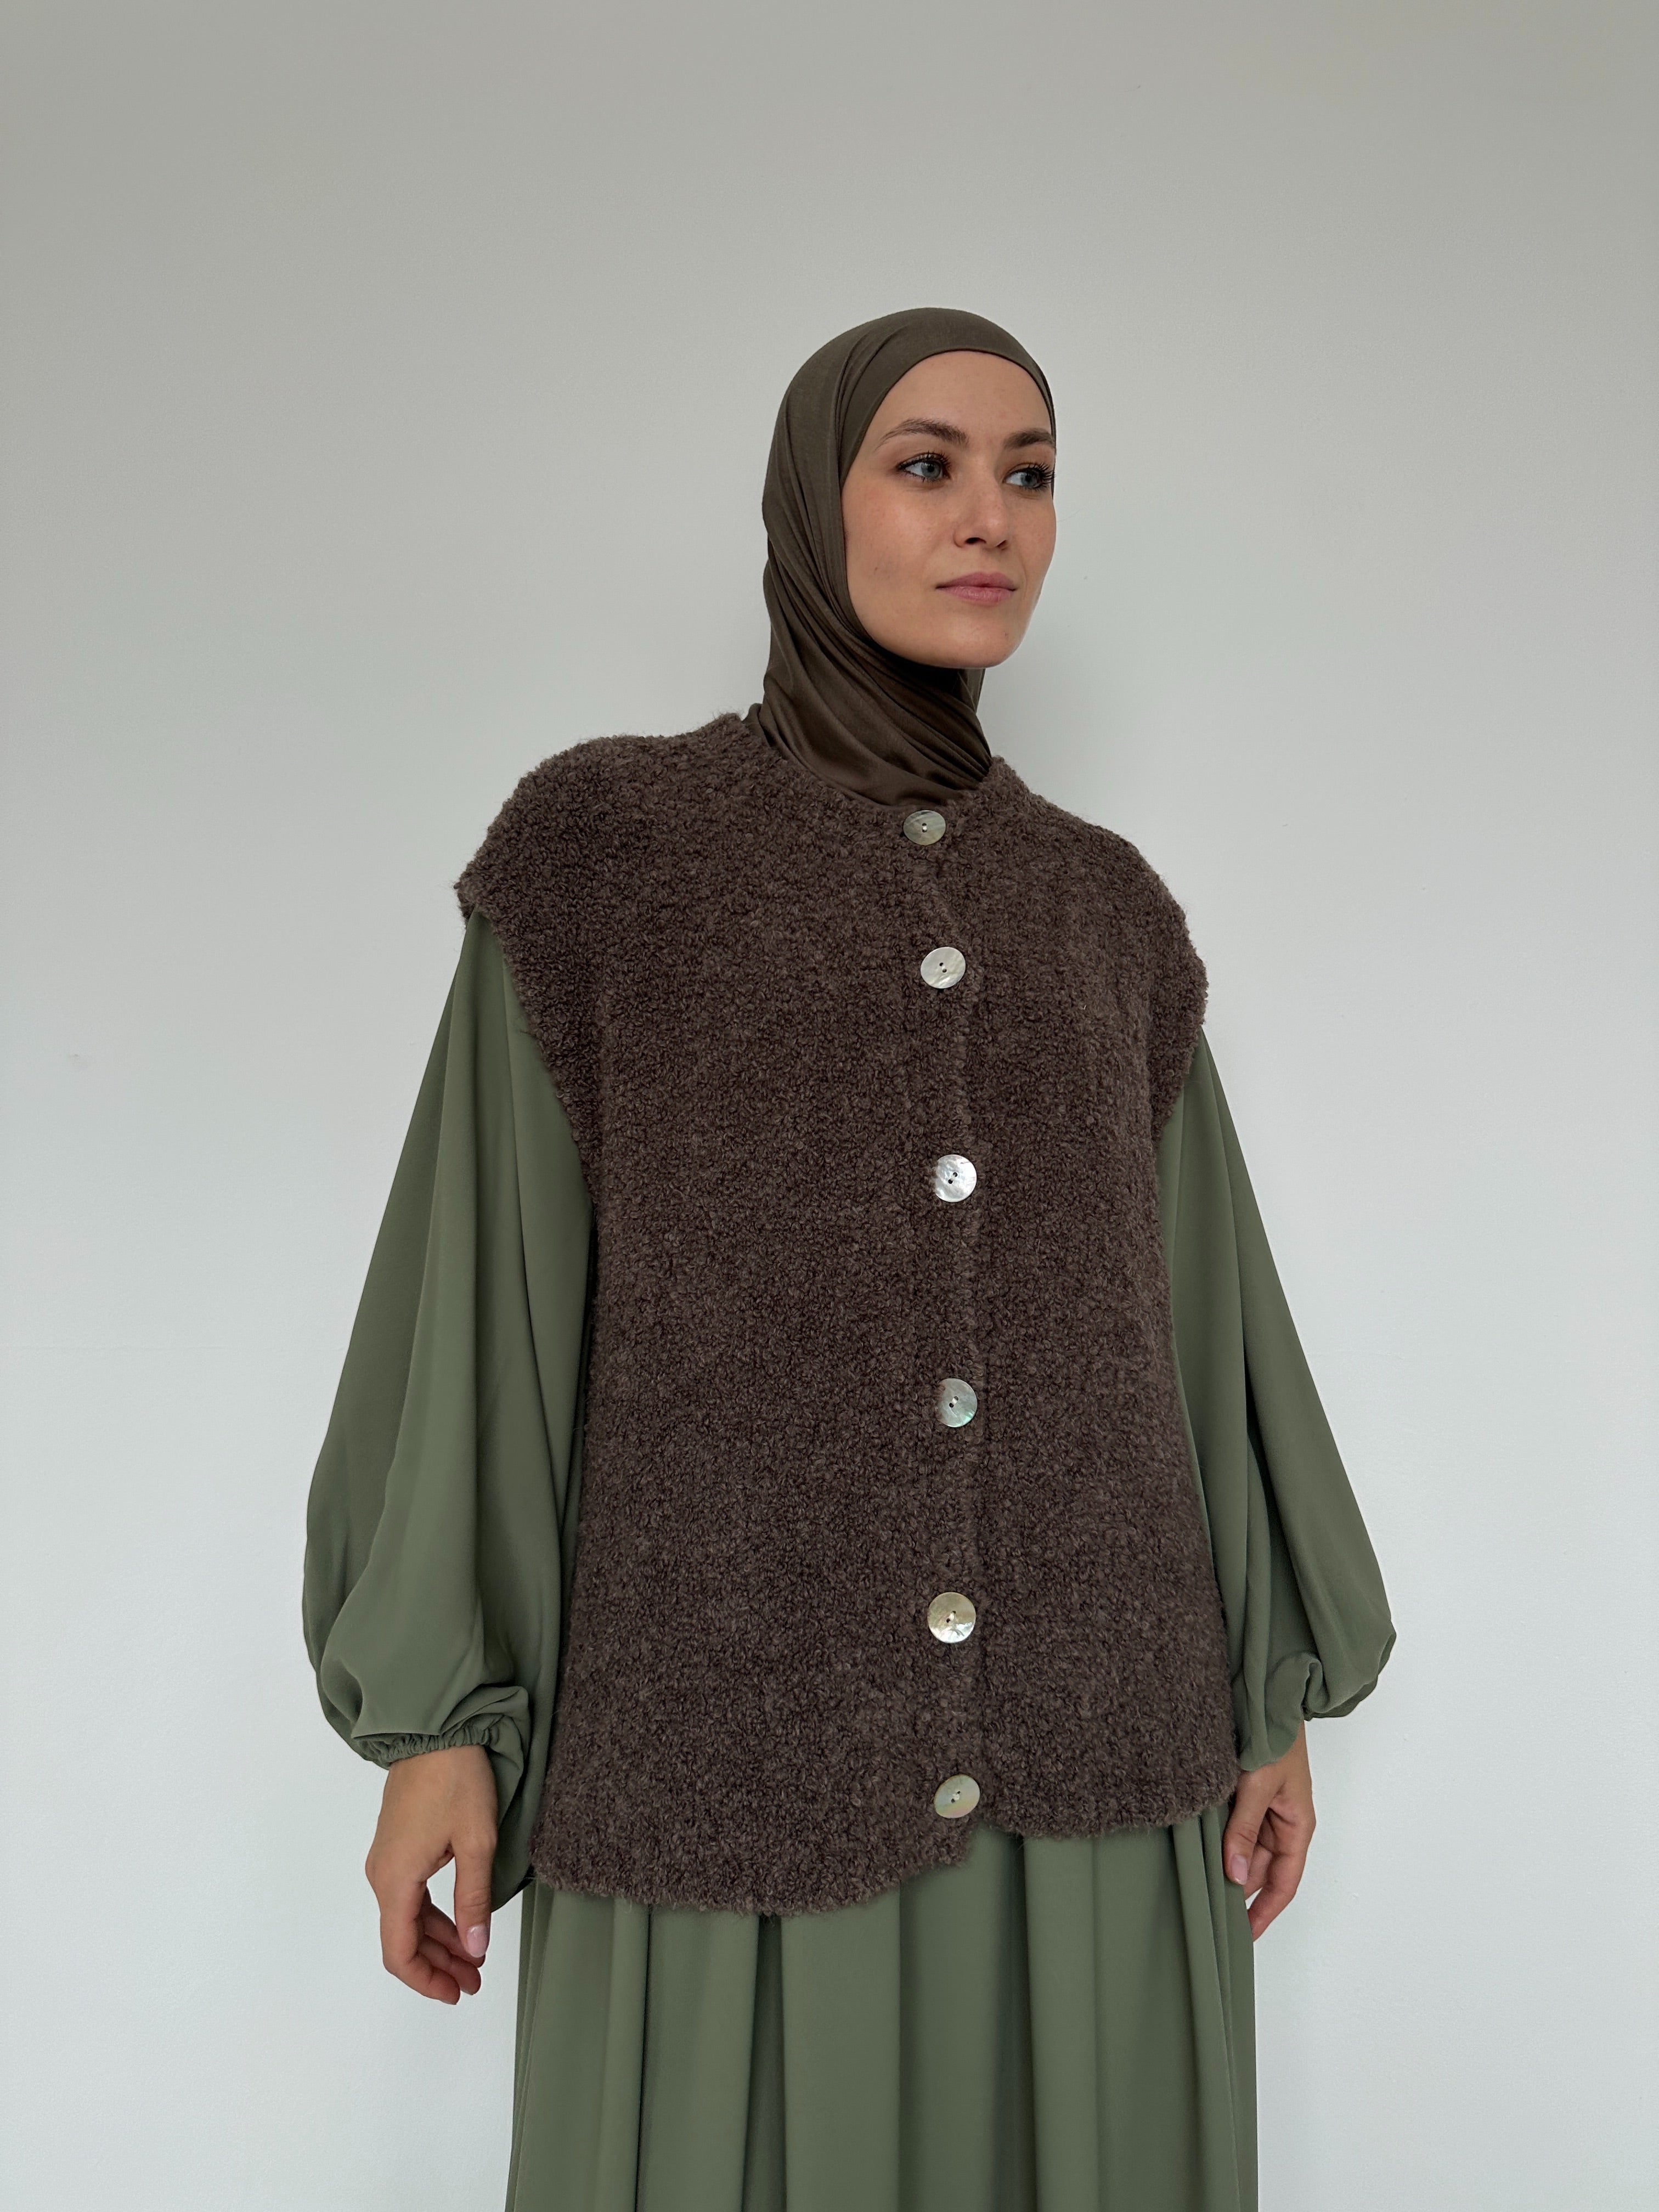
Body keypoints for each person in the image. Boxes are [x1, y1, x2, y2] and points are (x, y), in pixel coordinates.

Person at [303, 306, 1395, 2212]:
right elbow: (483, 1304)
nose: (991, 518)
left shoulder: (1108, 912)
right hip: (721, 1766)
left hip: (1100, 1772)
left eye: (1029, 474)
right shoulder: (606, 854)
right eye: (927, 465)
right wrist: (441, 1726)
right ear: (814, 503)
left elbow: (1195, 1320)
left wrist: (1265, 1691)